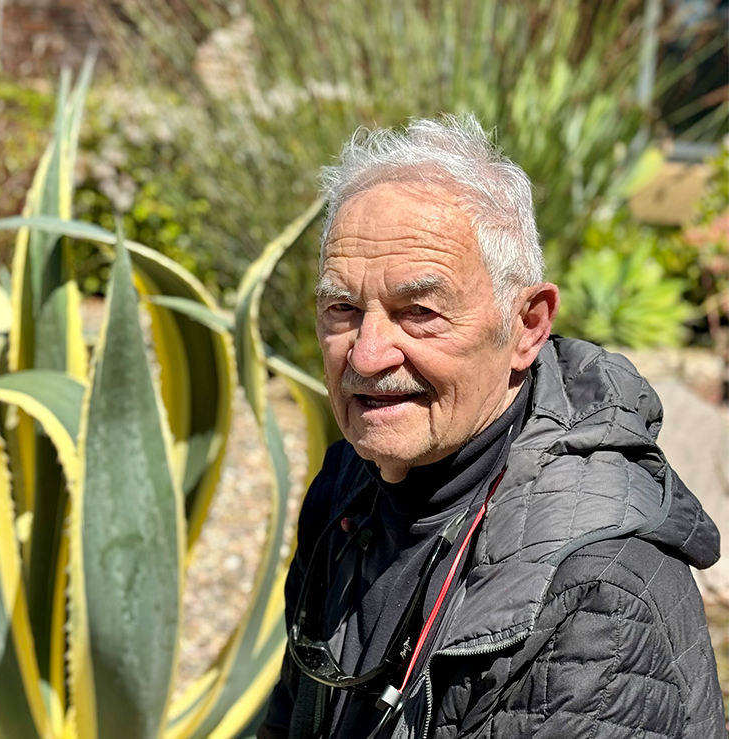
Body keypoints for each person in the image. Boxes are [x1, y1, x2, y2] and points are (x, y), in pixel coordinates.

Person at [258, 115, 725, 739]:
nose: (367, 355)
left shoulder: (596, 591)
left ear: (526, 326)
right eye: (342, 309)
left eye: (418, 312)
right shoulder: (347, 487)